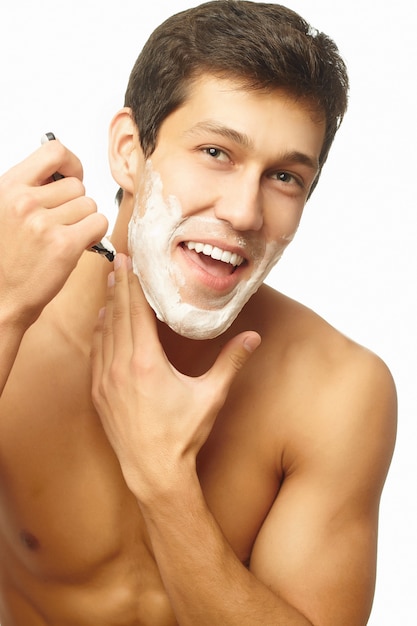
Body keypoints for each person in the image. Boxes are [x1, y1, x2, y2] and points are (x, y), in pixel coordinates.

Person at [0, 1, 397, 624]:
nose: (244, 212)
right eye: (216, 152)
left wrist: (163, 480)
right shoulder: (17, 324)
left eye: (286, 177)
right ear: (130, 152)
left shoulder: (339, 390)